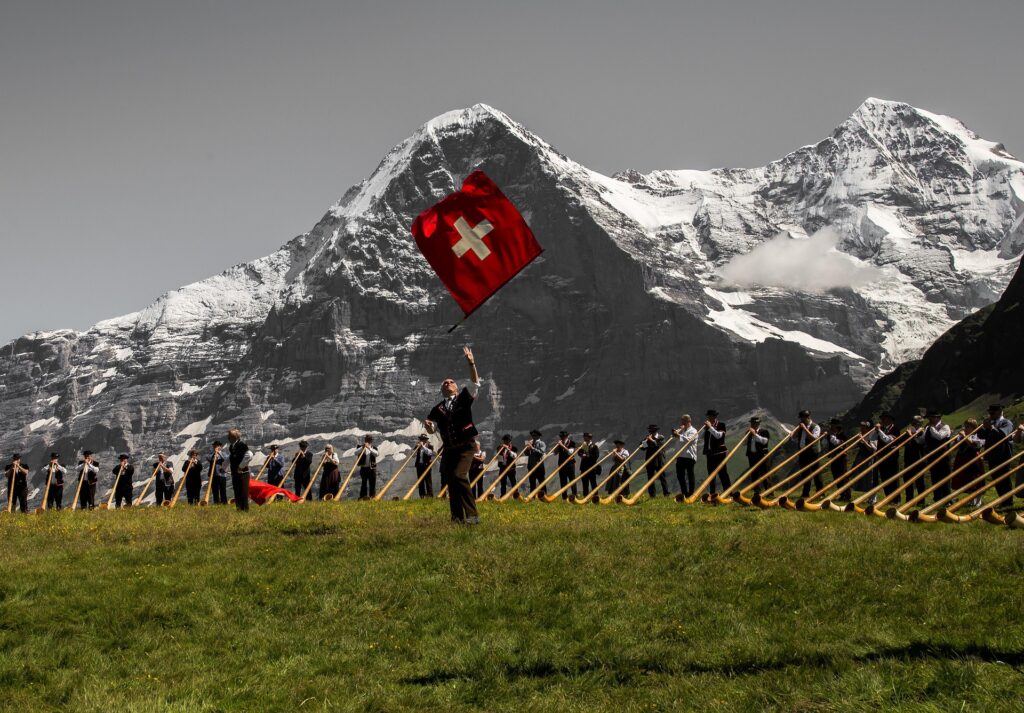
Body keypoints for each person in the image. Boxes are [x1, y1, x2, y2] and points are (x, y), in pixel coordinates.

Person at [424, 346, 482, 524]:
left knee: (459, 475)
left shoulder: (464, 397)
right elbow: (433, 430)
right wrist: (428, 428)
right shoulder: (437, 409)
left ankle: (472, 515)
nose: (447, 383)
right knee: (451, 481)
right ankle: (456, 518)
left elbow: (475, 382)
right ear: (442, 389)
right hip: (449, 449)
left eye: (450, 381)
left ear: (456, 387)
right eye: (444, 383)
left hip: (466, 445)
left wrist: (471, 363)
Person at [980, 404, 1015, 507]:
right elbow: (981, 436)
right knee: (996, 478)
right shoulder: (992, 423)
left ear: (999, 412)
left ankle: (1008, 502)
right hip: (992, 456)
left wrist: (991, 427)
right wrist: (984, 428)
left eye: (992, 413)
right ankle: (1002, 500)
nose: (990, 415)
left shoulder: (1006, 423)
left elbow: (1002, 436)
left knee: (1004, 479)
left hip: (1003, 455)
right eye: (989, 413)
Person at [916, 410, 952, 501]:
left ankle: (947, 499)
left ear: (938, 418)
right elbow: (922, 440)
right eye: (930, 418)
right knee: (935, 477)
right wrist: (915, 436)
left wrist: (931, 428)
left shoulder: (945, 427)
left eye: (932, 417)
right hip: (932, 456)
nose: (930, 419)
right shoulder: (928, 428)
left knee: (945, 478)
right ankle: (937, 498)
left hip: (943, 456)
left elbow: (939, 437)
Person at [951, 419, 985, 502]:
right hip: (962, 459)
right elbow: (953, 448)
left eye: (967, 427)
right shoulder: (961, 436)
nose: (965, 428)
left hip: (973, 459)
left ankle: (978, 500)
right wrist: (955, 440)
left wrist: (965, 437)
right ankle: (971, 500)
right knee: (965, 479)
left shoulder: (977, 436)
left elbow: (975, 446)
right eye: (965, 426)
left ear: (973, 428)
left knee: (975, 478)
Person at [792, 410, 822, 499]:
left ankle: (820, 492)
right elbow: (793, 437)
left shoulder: (816, 427)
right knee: (805, 473)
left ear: (808, 417)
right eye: (801, 418)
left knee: (816, 473)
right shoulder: (800, 427)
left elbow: (814, 438)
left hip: (813, 453)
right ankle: (805, 493)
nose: (801, 420)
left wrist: (805, 429)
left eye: (802, 418)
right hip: (803, 453)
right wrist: (798, 429)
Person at [875, 412, 901, 498]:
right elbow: (871, 438)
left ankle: (896, 499)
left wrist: (879, 431)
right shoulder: (882, 429)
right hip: (882, 456)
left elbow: (888, 441)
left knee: (892, 478)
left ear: (890, 420)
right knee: (884, 477)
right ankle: (888, 497)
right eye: (882, 418)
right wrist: (876, 430)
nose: (882, 420)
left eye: (884, 418)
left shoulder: (895, 430)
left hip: (891, 458)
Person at [704, 410, 729, 496]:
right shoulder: (707, 427)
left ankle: (728, 492)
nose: (709, 418)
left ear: (714, 417)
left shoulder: (721, 425)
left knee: (723, 473)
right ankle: (712, 493)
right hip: (710, 454)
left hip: (720, 453)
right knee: (711, 474)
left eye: (710, 416)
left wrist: (710, 427)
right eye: (708, 417)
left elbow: (718, 436)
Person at [902, 415, 926, 503]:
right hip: (908, 459)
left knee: (919, 481)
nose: (915, 424)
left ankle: (921, 501)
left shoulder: (923, 431)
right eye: (914, 422)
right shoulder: (910, 430)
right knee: (907, 480)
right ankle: (909, 500)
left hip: (919, 459)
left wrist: (910, 435)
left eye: (917, 422)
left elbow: (918, 443)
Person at [227, 428, 253, 511]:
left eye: (229, 436)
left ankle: (245, 510)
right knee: (237, 491)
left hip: (243, 473)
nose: (228, 438)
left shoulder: (242, 445)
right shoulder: (232, 446)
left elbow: (249, 455)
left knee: (243, 492)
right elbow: (231, 457)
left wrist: (241, 466)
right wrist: (224, 467)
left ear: (234, 437)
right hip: (235, 473)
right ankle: (239, 509)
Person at [744, 416, 770, 495]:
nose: (753, 425)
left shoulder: (764, 431)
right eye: (752, 423)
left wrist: (754, 434)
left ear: (758, 424)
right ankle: (757, 492)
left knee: (765, 474)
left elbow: (764, 441)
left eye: (755, 423)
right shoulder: (749, 433)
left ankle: (769, 492)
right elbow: (744, 443)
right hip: (751, 456)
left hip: (762, 455)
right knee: (754, 474)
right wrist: (747, 436)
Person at [642, 425, 669, 497]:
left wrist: (651, 440)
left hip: (659, 460)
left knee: (662, 477)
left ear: (656, 431)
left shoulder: (661, 437)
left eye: (652, 431)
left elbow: (658, 445)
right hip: (650, 461)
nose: (651, 432)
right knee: (650, 478)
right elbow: (643, 448)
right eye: (650, 431)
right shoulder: (647, 438)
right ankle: (652, 494)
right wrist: (645, 441)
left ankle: (666, 493)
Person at [825, 419, 848, 495]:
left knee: (843, 475)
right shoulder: (832, 434)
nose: (831, 426)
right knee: (835, 475)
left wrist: (830, 435)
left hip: (841, 457)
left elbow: (838, 443)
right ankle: (841, 493)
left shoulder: (843, 434)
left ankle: (846, 494)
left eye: (833, 425)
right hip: (834, 456)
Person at [576, 433, 601, 497]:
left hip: (591, 467)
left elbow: (596, 456)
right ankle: (585, 496)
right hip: (584, 467)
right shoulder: (583, 446)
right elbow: (579, 452)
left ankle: (595, 496)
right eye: (584, 437)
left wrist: (587, 456)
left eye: (586, 437)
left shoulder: (594, 447)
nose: (584, 438)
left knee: (593, 483)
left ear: (589, 438)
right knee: (585, 483)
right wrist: (581, 455)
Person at [524, 430, 547, 496]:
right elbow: (526, 454)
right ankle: (532, 497)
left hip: (539, 466)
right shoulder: (531, 443)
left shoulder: (542, 443)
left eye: (534, 435)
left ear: (538, 436)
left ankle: (544, 496)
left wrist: (532, 448)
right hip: (531, 466)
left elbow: (541, 453)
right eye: (532, 435)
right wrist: (527, 448)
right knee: (532, 483)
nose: (533, 437)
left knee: (542, 482)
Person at [555, 431, 577, 500]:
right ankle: (564, 497)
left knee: (572, 480)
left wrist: (562, 446)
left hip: (570, 464)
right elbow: (555, 453)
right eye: (561, 436)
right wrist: (557, 446)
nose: (562, 438)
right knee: (563, 481)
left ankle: (574, 495)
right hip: (561, 464)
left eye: (564, 436)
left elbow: (570, 452)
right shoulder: (560, 444)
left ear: (567, 436)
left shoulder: (572, 443)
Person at [357, 435, 380, 499]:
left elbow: (377, 454)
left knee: (372, 483)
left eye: (369, 439)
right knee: (364, 483)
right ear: (365, 440)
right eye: (367, 439)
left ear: (371, 441)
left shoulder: (374, 448)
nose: (368, 441)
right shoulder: (360, 447)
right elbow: (355, 453)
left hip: (372, 468)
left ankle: (372, 497)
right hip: (363, 468)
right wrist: (362, 448)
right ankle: (363, 497)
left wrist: (369, 448)